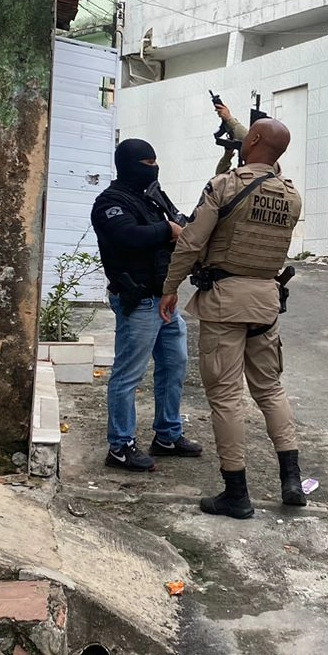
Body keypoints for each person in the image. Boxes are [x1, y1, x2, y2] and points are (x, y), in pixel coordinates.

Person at [158, 119, 305, 519]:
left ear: (253, 140)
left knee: (226, 397)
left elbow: (191, 241)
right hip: (266, 301)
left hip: (225, 301)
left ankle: (236, 493)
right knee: (270, 390)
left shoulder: (225, 185)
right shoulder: (292, 195)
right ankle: (291, 480)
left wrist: (171, 287)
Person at [91, 139, 203, 472]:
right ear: (127, 165)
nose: (153, 168)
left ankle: (167, 435)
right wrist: (166, 229)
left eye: (155, 162)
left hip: (164, 298)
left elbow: (179, 226)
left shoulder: (152, 198)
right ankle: (120, 447)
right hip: (138, 300)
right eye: (146, 162)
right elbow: (128, 237)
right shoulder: (109, 203)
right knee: (128, 375)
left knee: (174, 365)